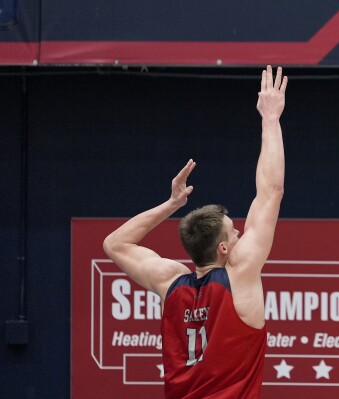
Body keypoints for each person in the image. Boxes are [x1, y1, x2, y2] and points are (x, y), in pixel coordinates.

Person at [103, 65, 287, 399]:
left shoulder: (171, 283)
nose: (241, 235)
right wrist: (270, 119)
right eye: (235, 233)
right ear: (224, 250)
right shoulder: (239, 276)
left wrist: (171, 204)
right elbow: (271, 191)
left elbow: (115, 244)